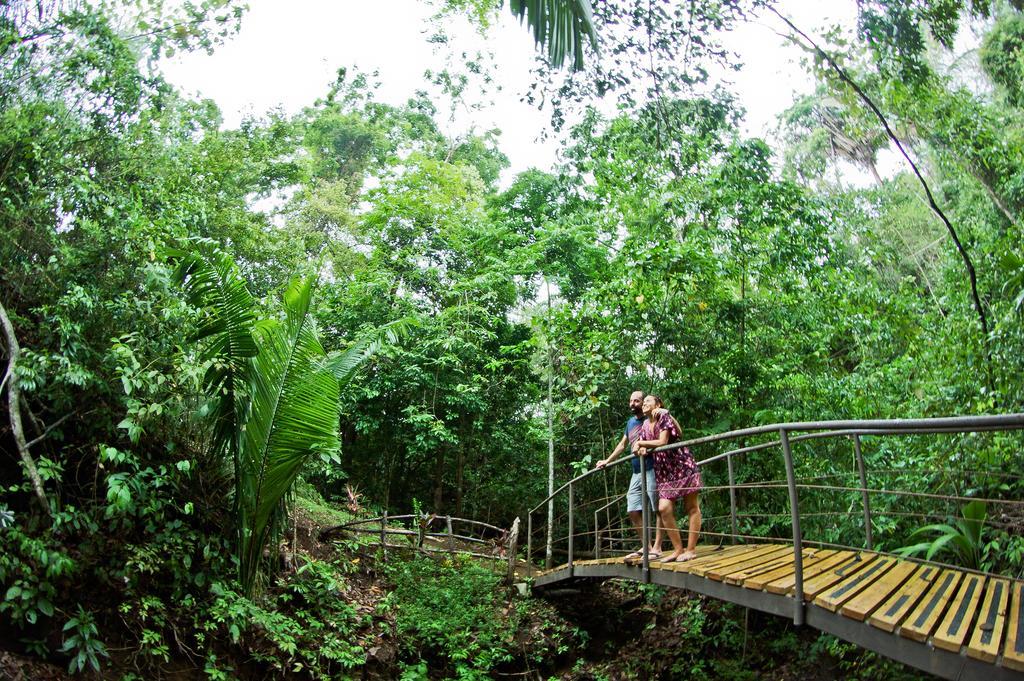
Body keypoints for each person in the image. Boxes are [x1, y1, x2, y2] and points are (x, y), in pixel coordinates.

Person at [632, 394, 702, 562]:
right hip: (664, 472)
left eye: (648, 401)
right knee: (664, 508)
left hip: (681, 465)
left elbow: (663, 441)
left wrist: (641, 445)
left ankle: (690, 550)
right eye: (645, 402)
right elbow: (639, 446)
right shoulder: (644, 426)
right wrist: (640, 448)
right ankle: (678, 549)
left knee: (691, 506)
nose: (645, 404)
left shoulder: (663, 416)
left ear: (658, 405)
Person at [595, 390, 663, 559]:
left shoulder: (651, 419)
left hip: (652, 468)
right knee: (633, 509)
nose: (633, 404)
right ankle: (645, 546)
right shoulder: (630, 422)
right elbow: (622, 444)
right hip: (636, 472)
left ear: (644, 402)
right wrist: (607, 460)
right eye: (631, 401)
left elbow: (663, 439)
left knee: (658, 509)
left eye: (637, 401)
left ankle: (658, 547)